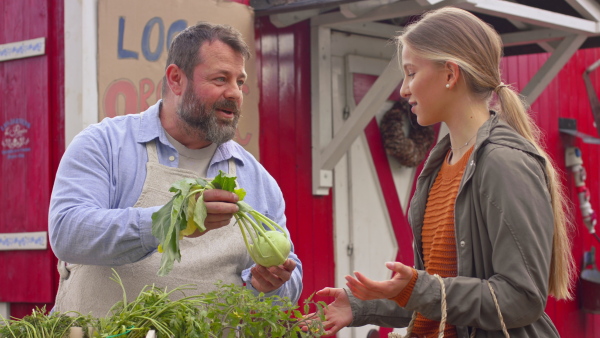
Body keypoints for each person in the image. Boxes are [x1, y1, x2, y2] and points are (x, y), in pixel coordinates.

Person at [311, 7, 573, 338]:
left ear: (450, 74)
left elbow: (522, 298)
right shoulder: (440, 163)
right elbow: (439, 296)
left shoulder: (504, 164)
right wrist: (362, 306)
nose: (404, 89)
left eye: (411, 72)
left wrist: (421, 287)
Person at [49, 22, 302, 317]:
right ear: (176, 79)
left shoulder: (256, 178)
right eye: (221, 79)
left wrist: (270, 285)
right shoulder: (106, 145)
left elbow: (289, 282)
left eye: (240, 82)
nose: (235, 93)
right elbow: (68, 233)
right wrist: (171, 220)